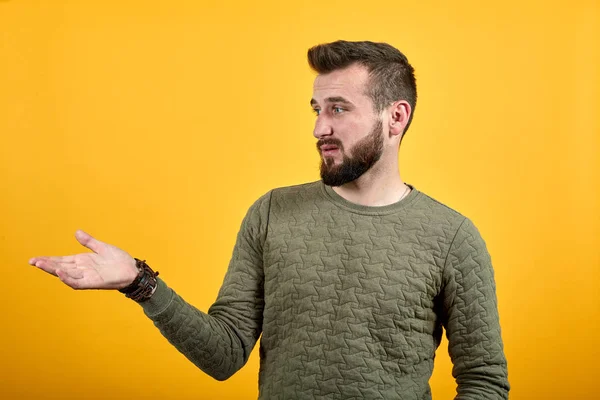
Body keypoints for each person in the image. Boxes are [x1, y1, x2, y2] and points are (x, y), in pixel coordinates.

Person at [28, 40, 510, 399]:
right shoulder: (272, 212)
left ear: (396, 117)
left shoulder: (451, 237)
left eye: (339, 109)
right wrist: (139, 281)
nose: (320, 127)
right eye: (317, 109)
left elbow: (484, 380)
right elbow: (224, 353)